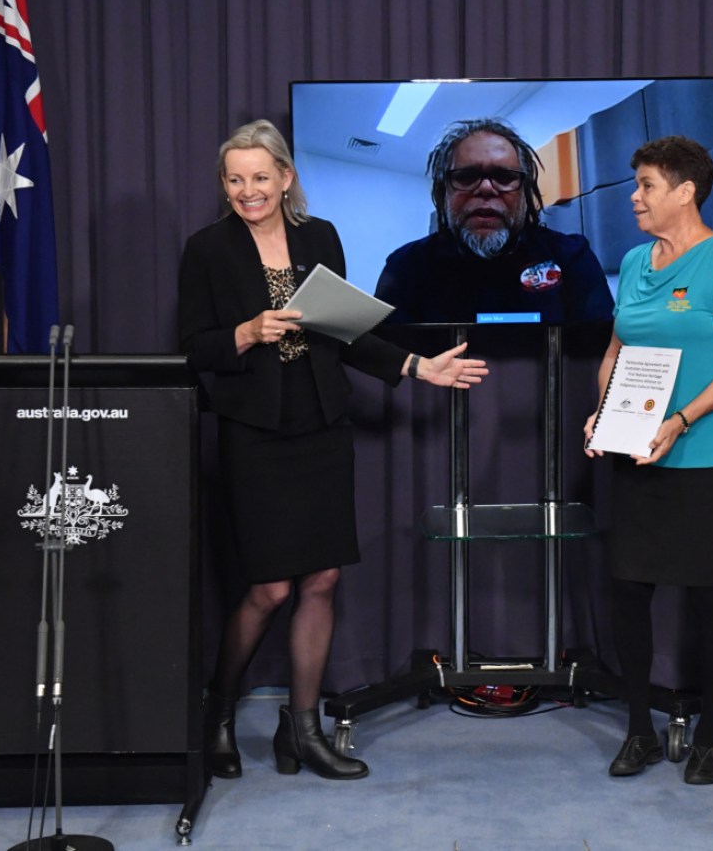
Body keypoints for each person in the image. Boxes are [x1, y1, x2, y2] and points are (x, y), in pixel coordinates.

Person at [177, 119, 488, 781]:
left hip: (322, 429)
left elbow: (348, 335)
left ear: (286, 178)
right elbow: (193, 349)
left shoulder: (319, 238)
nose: (248, 191)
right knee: (268, 588)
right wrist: (245, 331)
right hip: (254, 435)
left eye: (260, 177)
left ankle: (304, 731)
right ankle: (218, 716)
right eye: (235, 179)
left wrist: (416, 366)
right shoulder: (206, 250)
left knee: (320, 579)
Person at [583, 136, 713, 785]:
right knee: (629, 593)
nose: (633, 197)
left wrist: (681, 419)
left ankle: (710, 737)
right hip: (636, 459)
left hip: (704, 458)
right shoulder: (634, 261)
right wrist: (604, 414)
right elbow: (614, 351)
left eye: (646, 186)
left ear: (685, 192)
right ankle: (639, 729)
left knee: (709, 597)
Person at [375, 118, 614, 324]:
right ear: (443, 191)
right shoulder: (406, 266)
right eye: (466, 176)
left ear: (524, 191)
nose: (487, 189)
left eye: (504, 176)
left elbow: (599, 355)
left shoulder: (571, 256)